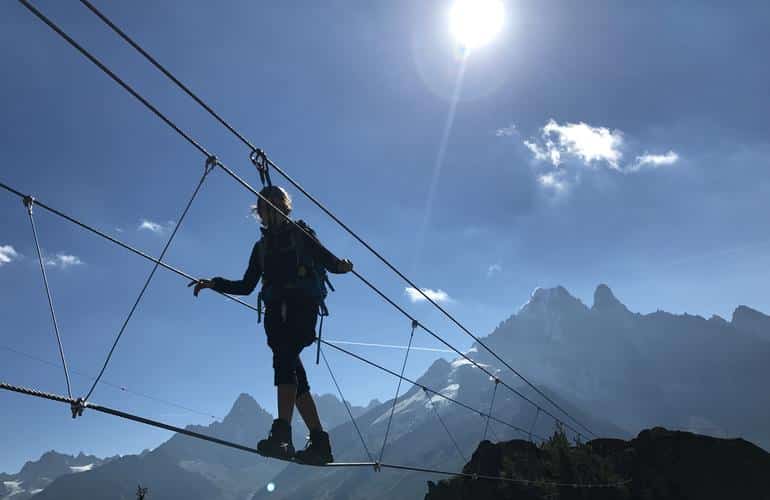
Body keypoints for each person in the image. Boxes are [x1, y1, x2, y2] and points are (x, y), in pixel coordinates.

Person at [189, 185, 353, 464]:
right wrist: (213, 283)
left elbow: (327, 259)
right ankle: (320, 444)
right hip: (276, 318)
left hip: (301, 311)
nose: (270, 209)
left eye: (275, 203)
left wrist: (342, 267)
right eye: (266, 206)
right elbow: (246, 286)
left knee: (284, 363)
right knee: (295, 377)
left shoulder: (301, 234)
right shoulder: (261, 248)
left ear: (285, 207)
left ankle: (282, 436)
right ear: (261, 214)